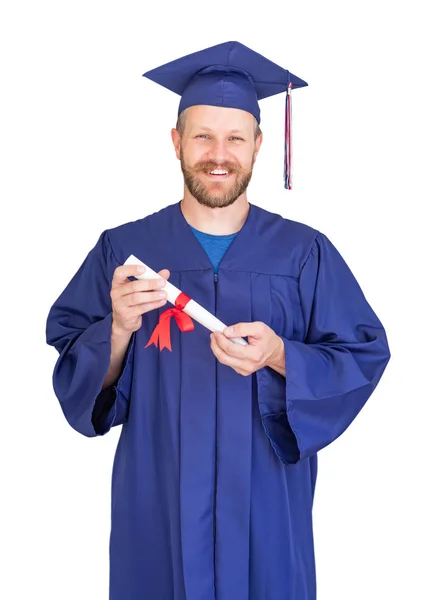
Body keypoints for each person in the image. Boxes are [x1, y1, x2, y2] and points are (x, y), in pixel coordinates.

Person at [46, 41, 390, 600]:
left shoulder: (304, 254)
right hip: (157, 502)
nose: (218, 152)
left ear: (258, 144)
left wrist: (281, 355)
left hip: (267, 509)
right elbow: (72, 367)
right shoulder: (123, 250)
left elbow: (363, 354)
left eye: (234, 137)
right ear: (176, 142)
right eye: (202, 135)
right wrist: (115, 331)